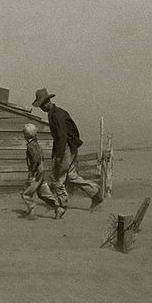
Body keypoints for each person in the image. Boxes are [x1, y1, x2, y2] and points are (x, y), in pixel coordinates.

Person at [31, 88, 103, 219]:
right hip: (68, 147)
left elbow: (62, 136)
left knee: (56, 177)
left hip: (65, 148)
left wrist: (58, 156)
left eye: (41, 105)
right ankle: (95, 193)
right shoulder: (54, 112)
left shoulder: (56, 115)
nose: (41, 108)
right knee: (72, 176)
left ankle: (62, 206)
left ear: (46, 102)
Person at [21, 123, 60, 219]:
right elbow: (40, 157)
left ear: (26, 135)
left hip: (36, 172)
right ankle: (58, 208)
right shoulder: (37, 144)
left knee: (26, 193)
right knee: (44, 193)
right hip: (42, 171)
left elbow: (35, 159)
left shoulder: (30, 146)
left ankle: (32, 212)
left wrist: (33, 171)